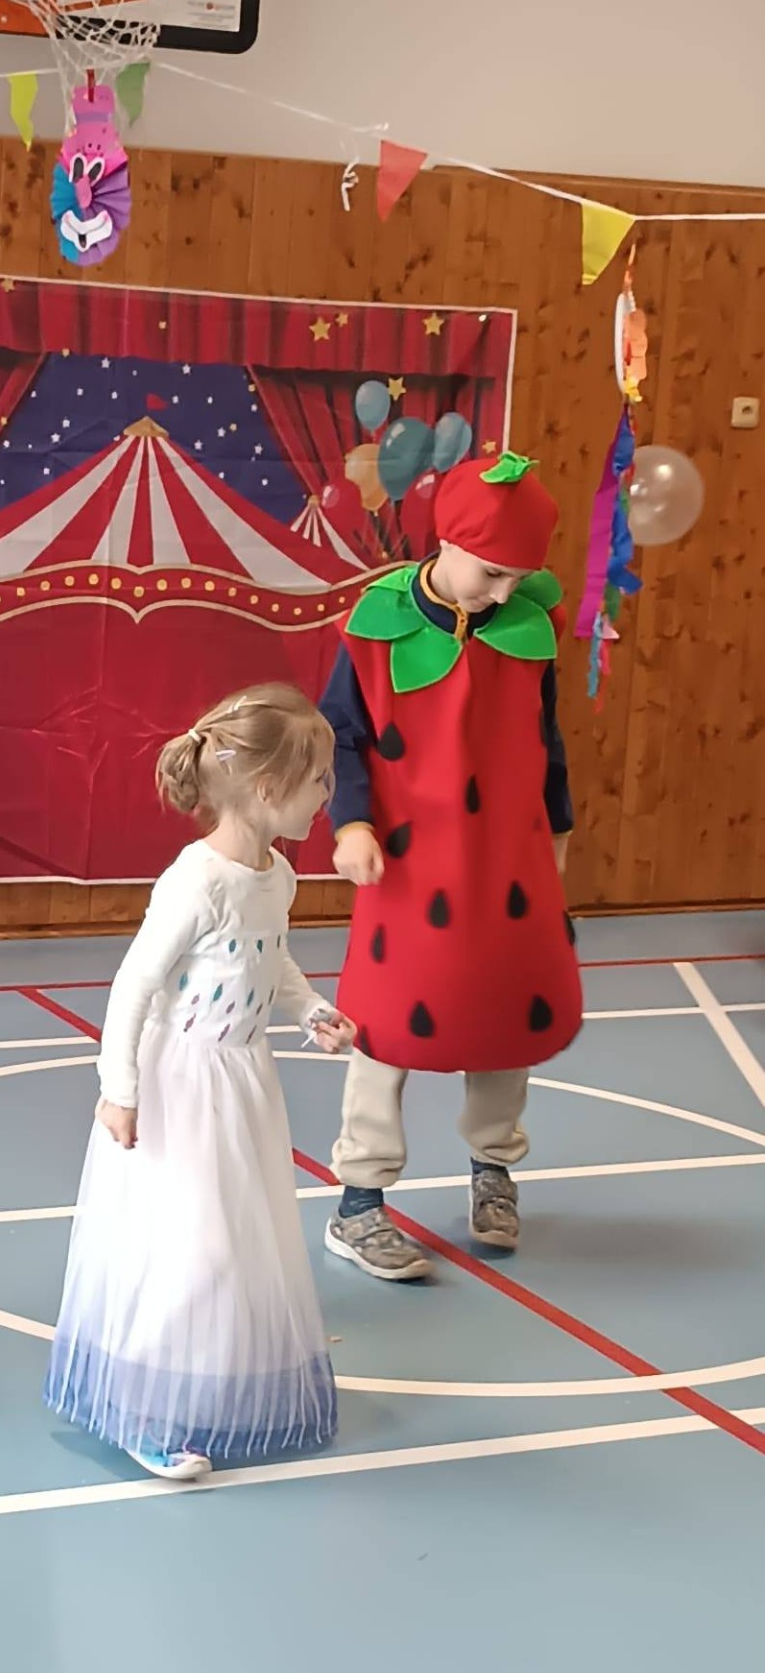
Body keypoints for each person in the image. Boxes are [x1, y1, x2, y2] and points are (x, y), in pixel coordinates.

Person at [45, 685, 353, 1481]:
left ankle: (199, 1386)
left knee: (235, 1240)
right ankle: (146, 1409)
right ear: (269, 789)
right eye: (318, 780)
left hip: (242, 1083)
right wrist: (120, 1088)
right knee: (195, 1246)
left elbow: (270, 956)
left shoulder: (275, 876)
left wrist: (309, 1008)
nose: (328, 794)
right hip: (181, 1085)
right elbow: (134, 986)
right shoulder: (197, 881)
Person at [319, 450, 582, 1281]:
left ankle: (493, 1169)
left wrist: (558, 838)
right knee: (384, 1023)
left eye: (518, 579)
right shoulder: (375, 626)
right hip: (407, 863)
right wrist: (351, 821)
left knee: (505, 1013)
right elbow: (341, 736)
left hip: (507, 857)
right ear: (448, 543)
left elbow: (545, 745)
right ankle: (359, 1201)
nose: (502, 594)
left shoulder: (526, 630)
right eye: (492, 573)